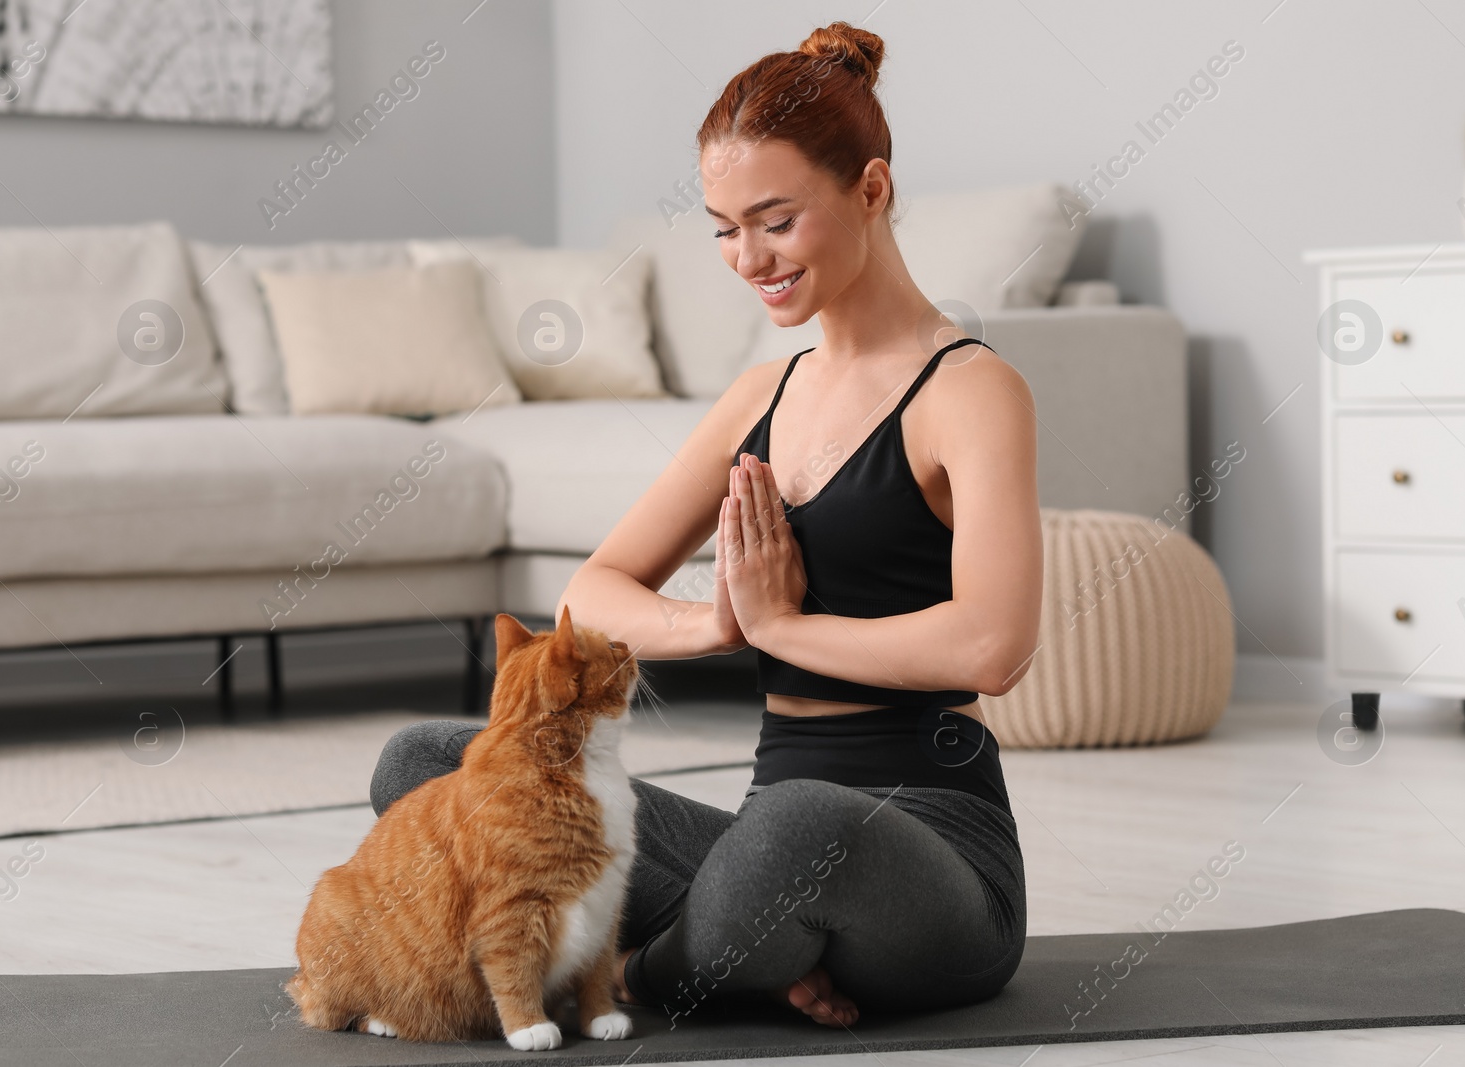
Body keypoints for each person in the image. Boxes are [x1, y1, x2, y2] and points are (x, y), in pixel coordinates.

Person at [368, 20, 1043, 1029]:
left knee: (798, 833)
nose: (746, 258)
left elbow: (992, 644)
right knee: (424, 760)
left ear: (871, 188)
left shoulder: (970, 388)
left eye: (774, 220)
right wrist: (714, 625)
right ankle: (746, 950)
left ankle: (640, 967)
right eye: (724, 227)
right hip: (761, 841)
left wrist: (782, 630)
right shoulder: (759, 396)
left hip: (931, 859)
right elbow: (587, 593)